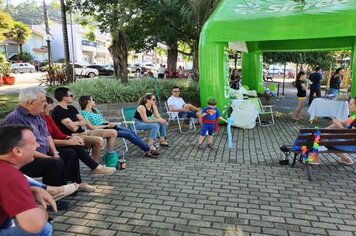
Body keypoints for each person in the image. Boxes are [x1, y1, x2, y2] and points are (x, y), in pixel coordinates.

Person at [0, 86, 67, 187]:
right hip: (23, 161)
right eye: (43, 101)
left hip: (40, 153)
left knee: (70, 152)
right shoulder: (16, 119)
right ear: (31, 102)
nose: (46, 104)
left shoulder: (38, 114)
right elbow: (22, 149)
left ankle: (68, 185)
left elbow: (47, 135)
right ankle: (53, 195)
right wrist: (49, 158)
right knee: (55, 163)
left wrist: (55, 153)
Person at [42, 96, 116, 187]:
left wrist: (70, 137)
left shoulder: (49, 116)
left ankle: (83, 177)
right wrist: (70, 139)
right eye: (48, 107)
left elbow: (59, 132)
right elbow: (71, 128)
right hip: (50, 146)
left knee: (76, 145)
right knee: (74, 148)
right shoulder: (56, 112)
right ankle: (86, 175)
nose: (50, 109)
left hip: (72, 135)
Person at [0, 125, 55, 235]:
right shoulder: (11, 177)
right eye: (34, 142)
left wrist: (32, 189)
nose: (38, 145)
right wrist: (40, 208)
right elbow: (34, 226)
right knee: (44, 228)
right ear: (18, 151)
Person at [78, 95, 160, 158]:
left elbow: (103, 121)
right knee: (128, 134)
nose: (94, 101)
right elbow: (91, 128)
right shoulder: (83, 113)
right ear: (88, 101)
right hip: (100, 130)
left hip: (108, 126)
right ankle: (148, 150)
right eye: (93, 99)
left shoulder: (95, 110)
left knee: (130, 131)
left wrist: (110, 123)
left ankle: (147, 148)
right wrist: (105, 126)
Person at [51, 87, 118, 163]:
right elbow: (73, 129)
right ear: (64, 97)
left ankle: (109, 155)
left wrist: (76, 123)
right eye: (71, 95)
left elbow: (84, 121)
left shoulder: (71, 108)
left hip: (83, 132)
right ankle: (95, 164)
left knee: (113, 132)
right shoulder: (58, 111)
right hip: (73, 135)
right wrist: (79, 123)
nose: (73, 97)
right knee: (99, 140)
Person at [311, 97, 356, 165]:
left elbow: (351, 137)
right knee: (323, 135)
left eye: (350, 104)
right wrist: (324, 130)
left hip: (352, 145)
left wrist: (339, 125)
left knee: (323, 138)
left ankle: (315, 159)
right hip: (348, 142)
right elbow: (342, 124)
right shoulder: (354, 116)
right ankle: (346, 159)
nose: (348, 105)